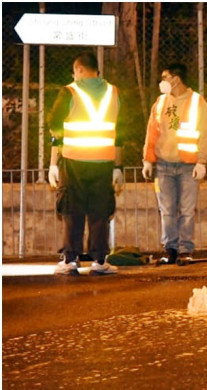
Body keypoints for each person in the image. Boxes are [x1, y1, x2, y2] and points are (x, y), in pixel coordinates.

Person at [48, 52, 124, 276]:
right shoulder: (114, 92)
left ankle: (71, 260)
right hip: (104, 161)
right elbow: (120, 133)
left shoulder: (69, 91)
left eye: (75, 71)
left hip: (74, 161)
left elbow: (55, 128)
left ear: (79, 70)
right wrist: (119, 167)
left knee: (73, 208)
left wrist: (53, 163)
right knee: (100, 210)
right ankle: (100, 260)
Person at [142, 63, 207, 264]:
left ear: (176, 79)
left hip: (188, 165)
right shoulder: (161, 102)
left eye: (165, 77)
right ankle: (169, 248)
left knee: (187, 210)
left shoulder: (198, 102)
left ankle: (185, 249)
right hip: (163, 165)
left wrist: (202, 161)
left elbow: (205, 134)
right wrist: (147, 159)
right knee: (167, 210)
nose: (162, 81)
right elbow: (151, 132)